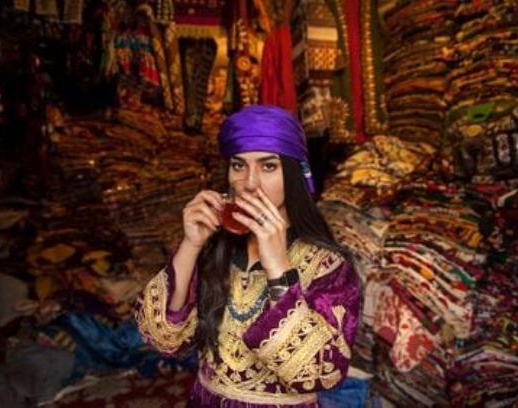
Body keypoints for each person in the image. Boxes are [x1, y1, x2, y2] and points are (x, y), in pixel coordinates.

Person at [135, 105, 360, 407]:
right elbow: (163, 339)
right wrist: (191, 245)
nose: (250, 183)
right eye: (239, 166)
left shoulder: (328, 266)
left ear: (292, 174)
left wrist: (279, 266)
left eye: (268, 166)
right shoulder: (216, 251)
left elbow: (322, 373)